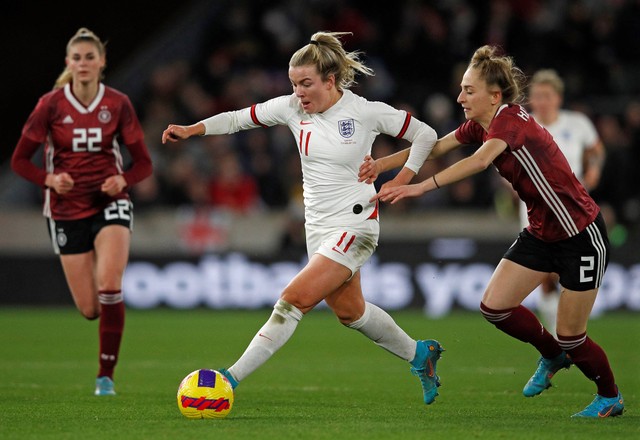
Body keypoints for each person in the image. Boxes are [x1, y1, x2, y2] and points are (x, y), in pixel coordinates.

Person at [162, 31, 444, 405]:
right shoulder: (292, 109)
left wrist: (404, 180)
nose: (299, 93)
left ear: (330, 81)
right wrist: (192, 129)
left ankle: (227, 380)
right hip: (318, 227)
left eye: (306, 83)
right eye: (294, 84)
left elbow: (426, 135)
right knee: (350, 313)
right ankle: (419, 355)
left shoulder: (364, 112)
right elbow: (237, 119)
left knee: (292, 300)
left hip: (355, 224)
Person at [360, 45, 623, 418]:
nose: (460, 97)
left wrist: (419, 187)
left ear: (495, 96)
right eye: (462, 89)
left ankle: (610, 396)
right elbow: (436, 147)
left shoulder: (510, 121)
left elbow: (481, 159)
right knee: (495, 307)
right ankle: (552, 355)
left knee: (572, 334)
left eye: (469, 90)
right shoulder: (481, 124)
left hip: (580, 235)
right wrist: (383, 164)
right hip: (541, 233)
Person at [11, 28, 153, 396]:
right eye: (77, 58)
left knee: (110, 285)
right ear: (68, 64)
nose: (84, 64)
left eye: (90, 57)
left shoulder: (119, 103)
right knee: (89, 308)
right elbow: (19, 161)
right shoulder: (50, 105)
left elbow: (143, 165)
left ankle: (105, 376)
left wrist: (122, 181)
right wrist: (49, 180)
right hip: (64, 209)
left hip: (109, 203)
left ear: (102, 62)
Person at [526, 69, 606, 336]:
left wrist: (593, 169)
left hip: (574, 210)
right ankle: (556, 332)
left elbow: (595, 151)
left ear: (558, 98)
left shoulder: (577, 123)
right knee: (545, 274)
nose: (542, 101)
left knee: (567, 271)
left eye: (547, 95)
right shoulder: (525, 126)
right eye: (537, 96)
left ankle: (569, 330)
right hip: (536, 208)